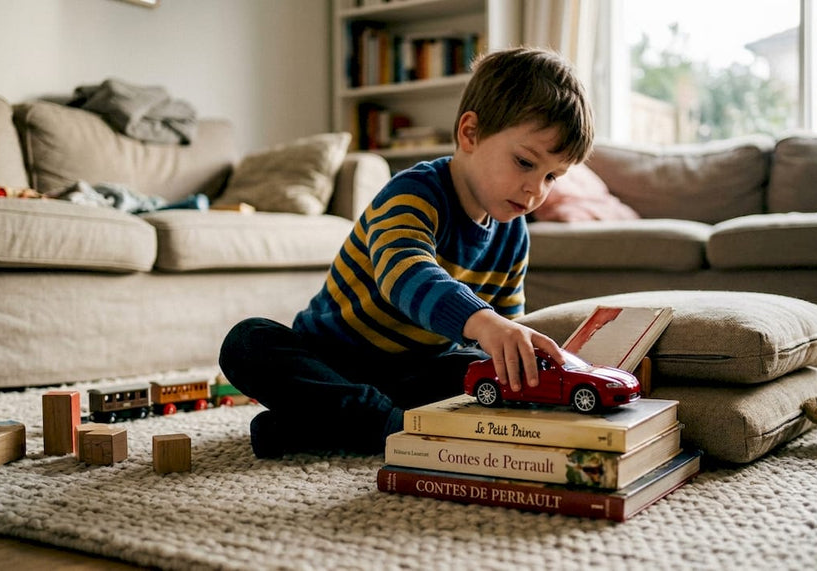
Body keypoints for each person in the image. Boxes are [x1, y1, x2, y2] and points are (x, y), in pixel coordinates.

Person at [219, 46, 595, 456]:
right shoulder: (414, 192)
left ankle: (320, 426)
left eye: (552, 177)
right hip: (334, 359)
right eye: (525, 163)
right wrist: (484, 322)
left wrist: (524, 359)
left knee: (476, 374)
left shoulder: (513, 234)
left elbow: (502, 330)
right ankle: (389, 425)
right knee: (248, 341)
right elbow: (405, 273)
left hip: (412, 373)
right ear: (470, 133)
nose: (536, 189)